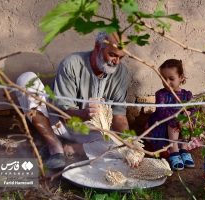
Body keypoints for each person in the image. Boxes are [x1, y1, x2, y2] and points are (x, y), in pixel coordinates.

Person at [16, 32, 130, 169]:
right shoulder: (72, 63)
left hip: (92, 134)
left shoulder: (122, 73)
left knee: (121, 144)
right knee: (26, 79)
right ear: (97, 46)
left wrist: (128, 144)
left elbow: (119, 116)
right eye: (112, 55)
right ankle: (55, 147)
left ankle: (71, 149)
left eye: (121, 57)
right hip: (59, 124)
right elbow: (64, 115)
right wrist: (85, 113)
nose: (116, 61)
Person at [146, 59, 195, 171]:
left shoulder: (187, 95)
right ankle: (174, 150)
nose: (167, 82)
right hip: (163, 125)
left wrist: (188, 113)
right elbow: (162, 112)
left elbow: (194, 108)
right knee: (174, 123)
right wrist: (177, 117)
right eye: (164, 79)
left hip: (182, 125)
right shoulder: (161, 94)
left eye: (171, 79)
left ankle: (184, 148)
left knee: (189, 120)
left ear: (181, 77)